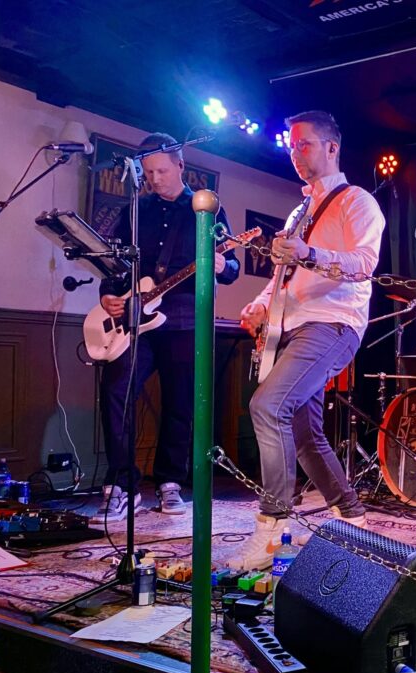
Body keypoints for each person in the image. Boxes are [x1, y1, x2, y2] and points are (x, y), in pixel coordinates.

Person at [229, 110, 385, 571]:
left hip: (333, 323)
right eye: (291, 146)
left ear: (332, 147)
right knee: (302, 432)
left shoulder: (357, 201)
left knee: (267, 406)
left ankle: (272, 526)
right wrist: (261, 304)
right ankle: (352, 517)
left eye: (305, 144)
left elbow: (364, 263)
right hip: (291, 324)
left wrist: (310, 252)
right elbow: (284, 276)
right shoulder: (299, 211)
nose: (295, 154)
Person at [95, 133, 239, 523]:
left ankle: (170, 482)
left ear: (180, 166)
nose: (155, 179)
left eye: (161, 171)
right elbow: (116, 264)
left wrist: (223, 265)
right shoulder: (136, 210)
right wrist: (108, 294)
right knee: (116, 389)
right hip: (136, 319)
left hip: (185, 319)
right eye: (148, 173)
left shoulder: (206, 208)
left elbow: (233, 268)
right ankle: (123, 485)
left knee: (180, 403)